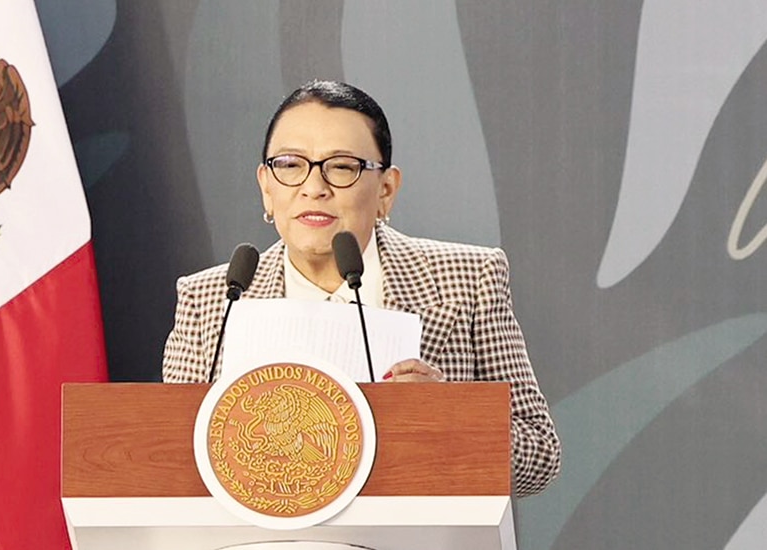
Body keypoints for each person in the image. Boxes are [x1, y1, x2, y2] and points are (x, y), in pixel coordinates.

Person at [162, 80, 561, 497]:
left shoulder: (467, 278)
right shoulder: (210, 299)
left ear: (386, 190)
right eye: (291, 164)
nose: (314, 187)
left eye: (341, 166)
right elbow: (169, 460)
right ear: (267, 186)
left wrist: (447, 416)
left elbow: (540, 458)